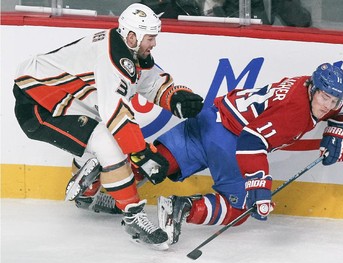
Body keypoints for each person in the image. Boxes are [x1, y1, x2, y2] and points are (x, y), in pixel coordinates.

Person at [13, 3, 203, 249]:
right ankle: (133, 215)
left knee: (113, 137)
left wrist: (175, 98)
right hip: (37, 102)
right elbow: (116, 114)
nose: (154, 43)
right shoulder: (113, 58)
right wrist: (141, 154)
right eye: (150, 38)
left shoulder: (128, 49)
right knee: (109, 141)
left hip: (66, 95)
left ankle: (86, 186)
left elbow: (152, 82)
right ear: (132, 36)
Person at [154, 63, 343, 244]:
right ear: (313, 89)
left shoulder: (309, 87)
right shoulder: (294, 112)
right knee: (241, 208)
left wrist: (340, 125)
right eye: (325, 98)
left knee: (154, 162)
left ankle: (123, 198)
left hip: (210, 117)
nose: (328, 106)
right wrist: (258, 185)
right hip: (230, 141)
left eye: (333, 101)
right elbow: (251, 140)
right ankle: (182, 207)